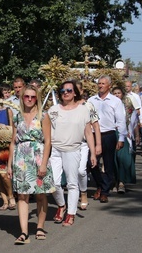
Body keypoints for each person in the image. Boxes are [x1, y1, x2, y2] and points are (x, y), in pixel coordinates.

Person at [7, 85, 55, 244]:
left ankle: (40, 227)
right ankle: (24, 232)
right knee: (22, 195)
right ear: (22, 98)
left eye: (33, 97)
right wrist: (9, 164)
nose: (29, 99)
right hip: (21, 159)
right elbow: (13, 142)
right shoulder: (17, 117)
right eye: (26, 96)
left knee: (40, 194)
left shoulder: (43, 116)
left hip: (38, 157)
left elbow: (48, 142)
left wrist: (43, 164)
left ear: (37, 98)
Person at [48, 81, 96, 226]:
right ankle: (62, 205)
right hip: (55, 150)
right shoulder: (53, 110)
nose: (66, 92)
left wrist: (93, 153)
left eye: (69, 90)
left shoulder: (83, 110)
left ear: (75, 92)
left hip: (73, 150)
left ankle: (71, 213)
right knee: (54, 183)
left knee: (72, 183)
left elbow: (88, 133)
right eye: (63, 90)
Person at [88, 75, 127, 203]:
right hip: (94, 136)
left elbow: (121, 120)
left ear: (109, 86)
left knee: (109, 164)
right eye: (99, 83)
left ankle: (104, 191)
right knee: (91, 163)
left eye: (103, 83)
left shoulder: (115, 101)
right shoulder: (91, 100)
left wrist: (121, 138)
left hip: (109, 135)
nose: (100, 86)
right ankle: (101, 185)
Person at [75, 81, 101, 210]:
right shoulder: (65, 106)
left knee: (81, 170)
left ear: (81, 91)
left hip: (84, 143)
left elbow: (95, 126)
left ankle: (83, 194)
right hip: (69, 144)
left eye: (76, 89)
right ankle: (72, 198)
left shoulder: (88, 105)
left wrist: (97, 145)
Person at [112, 87, 137, 193]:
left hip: (125, 133)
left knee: (123, 158)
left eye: (119, 93)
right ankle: (115, 181)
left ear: (122, 94)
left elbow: (134, 120)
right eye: (115, 93)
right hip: (111, 133)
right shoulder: (108, 105)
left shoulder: (128, 105)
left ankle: (122, 182)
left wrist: (136, 134)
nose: (117, 95)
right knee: (114, 159)